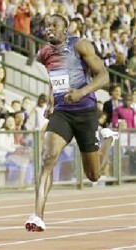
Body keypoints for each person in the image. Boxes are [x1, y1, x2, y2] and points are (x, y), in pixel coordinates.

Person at [24, 14, 120, 232]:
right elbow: (55, 78)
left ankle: (107, 140)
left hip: (85, 112)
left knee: (93, 175)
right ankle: (37, 216)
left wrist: (81, 93)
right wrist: (51, 100)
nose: (49, 29)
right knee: (47, 158)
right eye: (46, 26)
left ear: (65, 29)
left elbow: (104, 77)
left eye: (54, 26)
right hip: (62, 113)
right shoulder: (44, 53)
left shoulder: (80, 45)